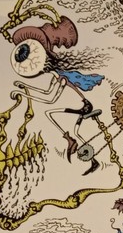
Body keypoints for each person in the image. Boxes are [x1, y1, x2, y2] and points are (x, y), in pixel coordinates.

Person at [9, 16, 105, 174]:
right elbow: (47, 92)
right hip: (84, 104)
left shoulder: (60, 77)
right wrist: (24, 86)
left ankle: (71, 141)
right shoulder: (57, 75)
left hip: (84, 106)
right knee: (76, 131)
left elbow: (50, 99)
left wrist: (22, 93)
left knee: (49, 113)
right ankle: (91, 158)